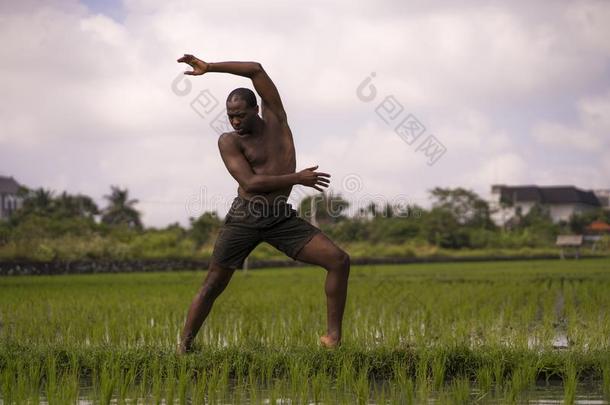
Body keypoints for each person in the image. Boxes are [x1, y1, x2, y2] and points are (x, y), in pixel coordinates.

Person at [176, 54, 350, 353]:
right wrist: (297, 178)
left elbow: (255, 69)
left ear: (257, 109)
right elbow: (251, 184)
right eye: (230, 116)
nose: (235, 121)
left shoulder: (277, 121)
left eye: (241, 114)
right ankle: (184, 347)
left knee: (339, 261)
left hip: (280, 218)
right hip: (245, 217)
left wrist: (210, 68)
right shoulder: (229, 141)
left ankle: (332, 338)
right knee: (214, 284)